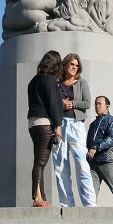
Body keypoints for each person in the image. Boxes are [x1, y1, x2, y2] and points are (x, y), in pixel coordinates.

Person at [51, 53, 96, 207]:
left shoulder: (81, 83)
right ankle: (66, 204)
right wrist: (61, 104)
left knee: (81, 163)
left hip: (76, 124)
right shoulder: (57, 83)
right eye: (72, 64)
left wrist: (73, 104)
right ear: (65, 65)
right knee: (60, 165)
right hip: (60, 124)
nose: (74, 68)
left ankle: (90, 204)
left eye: (76, 66)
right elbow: (51, 102)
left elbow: (88, 102)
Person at [27, 50, 63, 207]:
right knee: (41, 162)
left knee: (38, 161)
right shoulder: (49, 79)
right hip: (44, 123)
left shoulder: (34, 80)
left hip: (33, 123)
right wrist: (58, 125)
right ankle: (37, 197)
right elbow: (52, 104)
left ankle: (40, 195)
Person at [86, 96, 113, 206]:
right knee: (91, 194)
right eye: (96, 104)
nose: (97, 106)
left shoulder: (111, 121)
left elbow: (112, 139)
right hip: (93, 163)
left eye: (100, 103)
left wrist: (96, 147)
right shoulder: (93, 124)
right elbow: (88, 142)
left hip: (107, 161)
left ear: (107, 106)